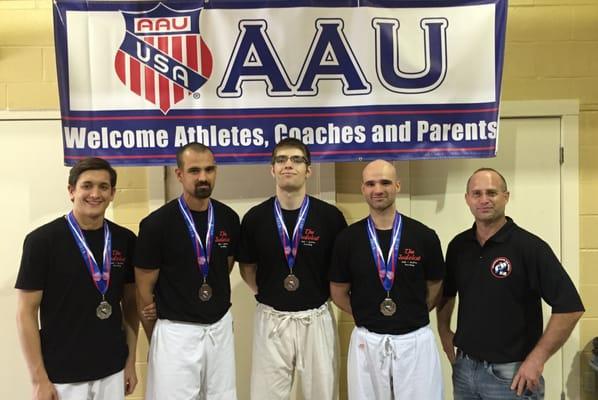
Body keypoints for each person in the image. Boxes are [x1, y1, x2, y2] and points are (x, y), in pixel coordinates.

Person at [436, 167, 585, 399]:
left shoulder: (530, 247)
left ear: (506, 196)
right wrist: (443, 330)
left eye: (492, 193)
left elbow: (570, 307)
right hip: (465, 371)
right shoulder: (458, 246)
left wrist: (537, 359)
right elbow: (447, 293)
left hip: (512, 376)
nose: (484, 199)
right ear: (467, 199)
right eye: (477, 194)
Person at [15, 157, 138, 400]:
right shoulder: (42, 242)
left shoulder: (124, 239)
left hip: (112, 369)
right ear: (72, 191)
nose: (95, 193)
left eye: (103, 187)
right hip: (62, 374)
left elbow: (131, 306)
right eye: (87, 185)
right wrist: (39, 379)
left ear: (113, 193)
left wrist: (130, 362)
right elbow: (25, 313)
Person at [238, 138, 347, 400]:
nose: (289, 165)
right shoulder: (256, 218)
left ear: (308, 170)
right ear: (272, 169)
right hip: (272, 318)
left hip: (316, 317)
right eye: (281, 160)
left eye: (297, 160)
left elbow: (340, 270)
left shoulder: (330, 217)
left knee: (322, 393)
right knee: (267, 395)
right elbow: (247, 268)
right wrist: (270, 294)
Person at [329, 159, 445, 400]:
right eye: (370, 184)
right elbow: (338, 291)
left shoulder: (424, 236)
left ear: (398, 186)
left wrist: (411, 311)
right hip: (368, 339)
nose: (378, 189)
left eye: (385, 182)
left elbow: (435, 286)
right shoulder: (347, 239)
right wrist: (365, 312)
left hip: (414, 340)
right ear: (363, 189)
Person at [135, 143, 240, 400]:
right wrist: (156, 337)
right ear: (179, 174)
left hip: (219, 328)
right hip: (176, 332)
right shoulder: (156, 225)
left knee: (222, 396)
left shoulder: (228, 218)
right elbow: (143, 289)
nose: (203, 177)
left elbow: (225, 266)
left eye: (209, 169)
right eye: (194, 170)